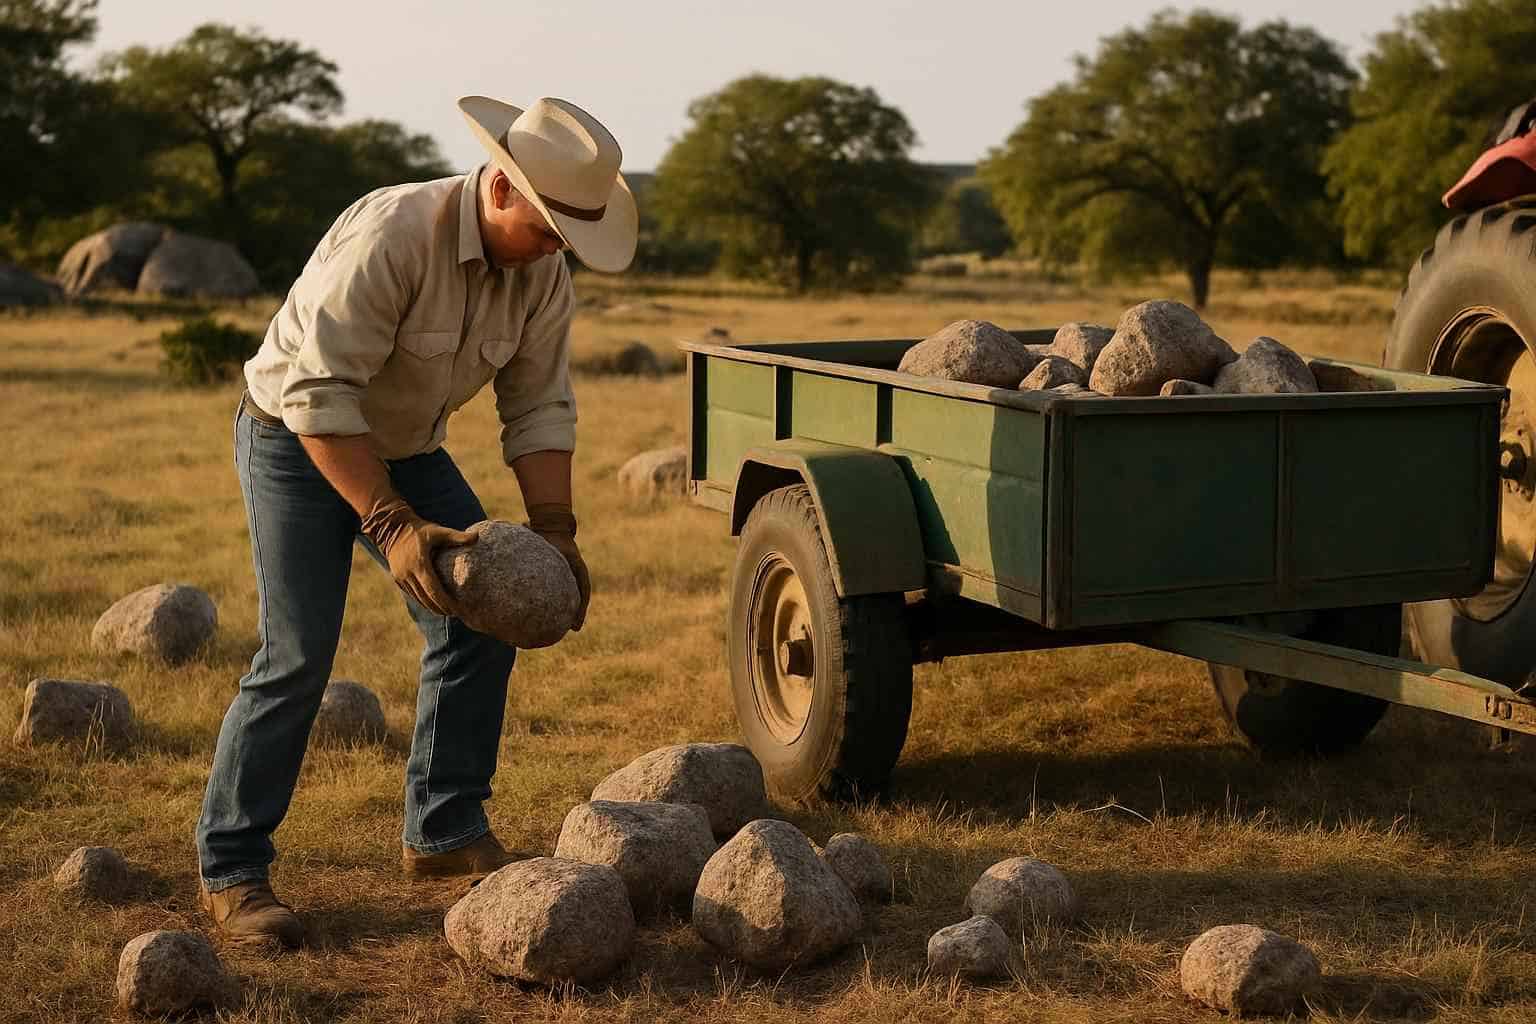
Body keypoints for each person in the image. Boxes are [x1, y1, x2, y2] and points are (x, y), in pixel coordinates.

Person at [194, 95, 638, 948]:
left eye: (569, 237)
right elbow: (317, 395)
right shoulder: (394, 234)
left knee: (486, 615)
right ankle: (234, 867)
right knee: (298, 654)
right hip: (296, 436)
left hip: (406, 446)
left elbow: (539, 403)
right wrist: (390, 523)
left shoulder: (542, 270)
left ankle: (444, 828)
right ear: (502, 188)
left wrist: (556, 531)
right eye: (548, 228)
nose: (557, 251)